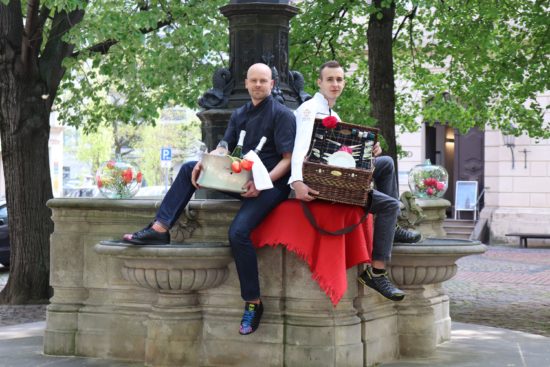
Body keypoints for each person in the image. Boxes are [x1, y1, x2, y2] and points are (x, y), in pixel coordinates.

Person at [123, 63, 296, 335]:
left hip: (270, 185)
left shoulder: (283, 115)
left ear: (272, 84)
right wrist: (207, 162)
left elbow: (288, 161)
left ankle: (253, 303)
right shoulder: (239, 113)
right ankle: (160, 228)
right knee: (188, 168)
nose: (259, 85)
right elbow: (224, 147)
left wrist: (262, 184)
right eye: (254, 80)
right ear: (247, 82)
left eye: (264, 81)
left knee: (238, 233)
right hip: (241, 178)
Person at [289, 60, 421, 302]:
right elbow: (299, 149)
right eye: (330, 79)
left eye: (339, 79)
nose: (335, 84)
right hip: (322, 183)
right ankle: (376, 272)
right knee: (390, 205)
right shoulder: (309, 109)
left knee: (387, 162)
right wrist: (297, 182)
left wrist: (370, 151)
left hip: (337, 175)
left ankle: (390, 228)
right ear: (319, 83)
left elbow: (343, 154)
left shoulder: (334, 113)